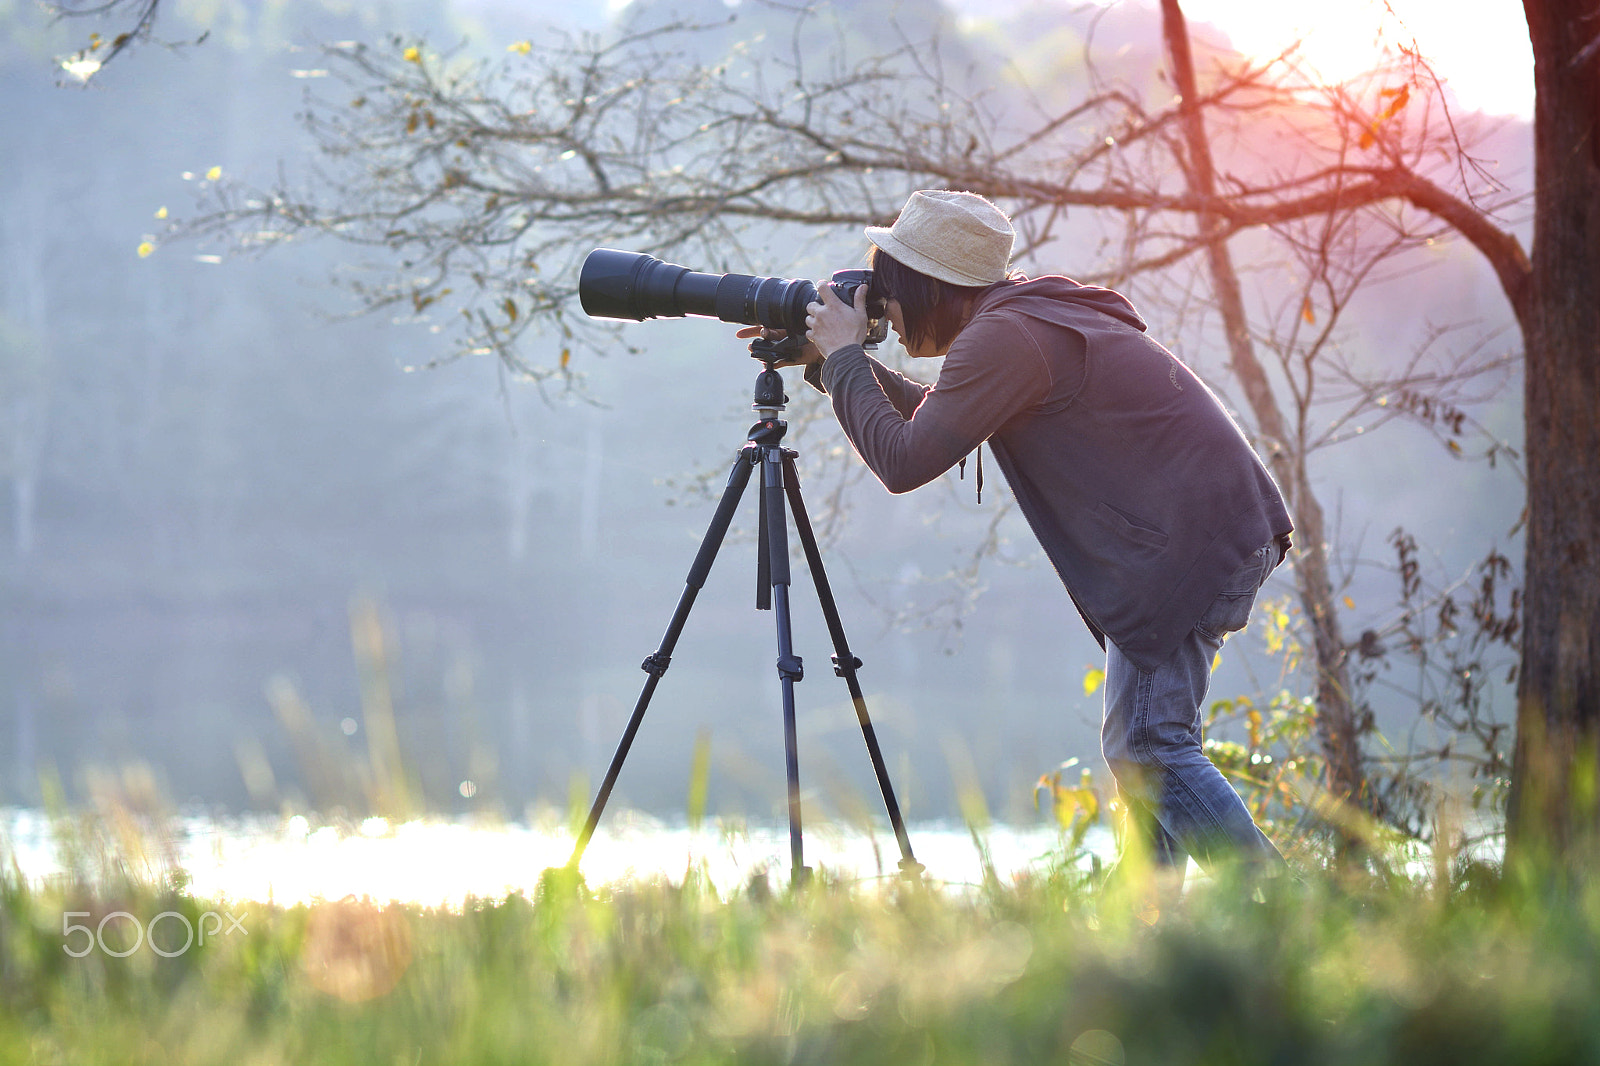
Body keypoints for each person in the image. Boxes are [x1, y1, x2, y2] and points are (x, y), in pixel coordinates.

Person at [776, 189, 1293, 881]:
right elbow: (937, 424)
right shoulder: (1018, 320)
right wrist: (829, 364)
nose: (888, 323)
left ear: (930, 287)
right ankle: (1155, 932)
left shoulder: (1008, 335)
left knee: (1148, 747)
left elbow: (904, 462)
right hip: (1205, 533)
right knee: (1139, 749)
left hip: (1187, 547)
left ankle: (1292, 907)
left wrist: (844, 360)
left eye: (891, 302)